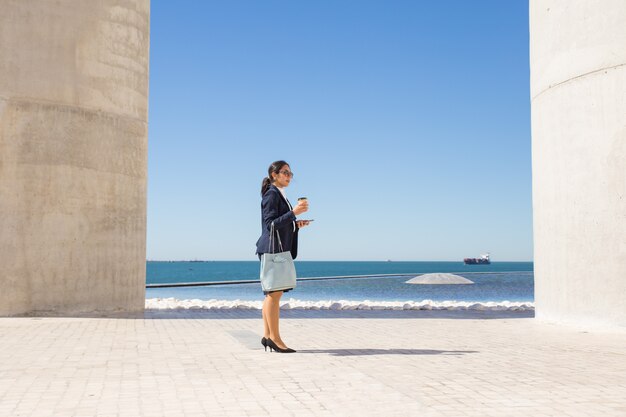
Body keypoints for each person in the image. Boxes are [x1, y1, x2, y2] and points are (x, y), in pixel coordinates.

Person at [256, 160, 310, 353]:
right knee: (274, 295)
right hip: (273, 250)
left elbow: (279, 224)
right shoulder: (272, 194)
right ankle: (275, 339)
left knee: (272, 294)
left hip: (273, 249)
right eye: (285, 172)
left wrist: (296, 225)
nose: (289, 176)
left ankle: (267, 336)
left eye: (290, 173)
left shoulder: (279, 194)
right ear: (274, 175)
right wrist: (293, 212)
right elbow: (270, 224)